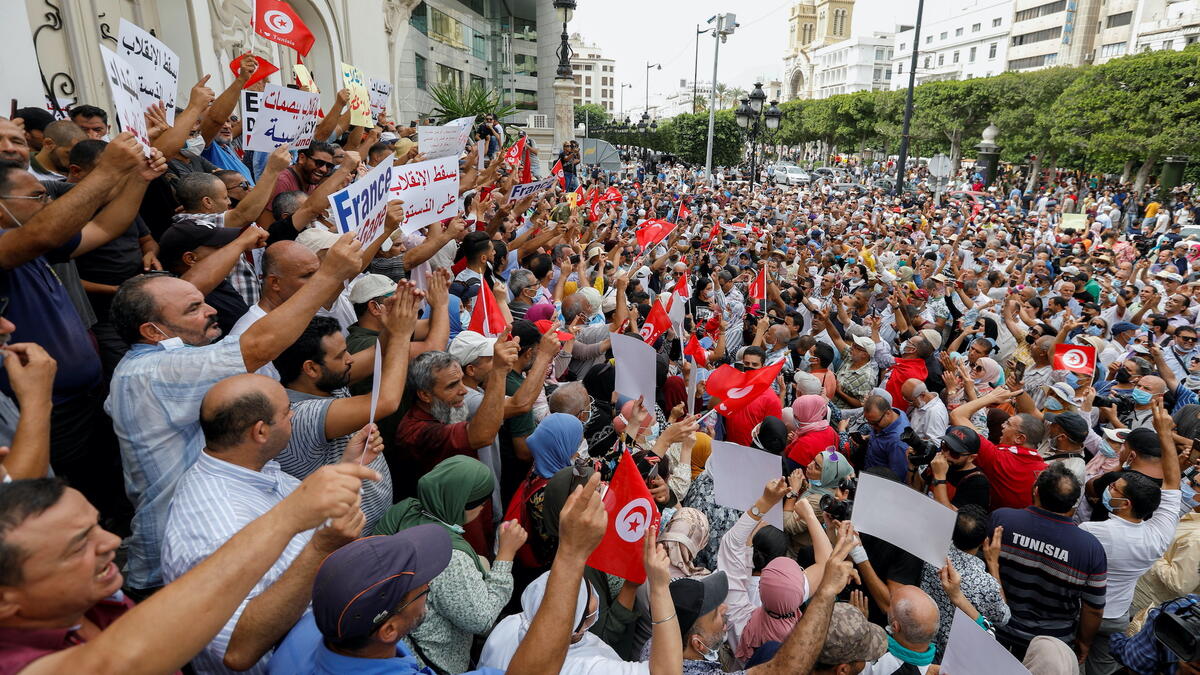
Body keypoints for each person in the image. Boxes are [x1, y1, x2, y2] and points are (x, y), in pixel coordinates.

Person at [105, 232, 364, 595]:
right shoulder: (152, 371)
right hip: (169, 573)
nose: (211, 309)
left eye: (203, 302)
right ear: (152, 331)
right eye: (193, 309)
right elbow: (257, 347)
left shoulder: (151, 361)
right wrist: (328, 276)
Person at [0, 462, 375, 674]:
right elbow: (117, 662)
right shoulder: (14, 664)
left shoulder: (97, 599)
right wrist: (290, 517)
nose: (113, 543)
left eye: (99, 525)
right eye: (79, 544)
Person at [161, 373, 377, 673]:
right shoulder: (217, 525)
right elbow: (238, 651)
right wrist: (320, 550)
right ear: (260, 431)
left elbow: (302, 522)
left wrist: (347, 468)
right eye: (288, 412)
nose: (294, 415)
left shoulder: (252, 468)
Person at [375, 456, 524, 673]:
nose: (483, 508)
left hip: (393, 649)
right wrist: (506, 554)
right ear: (459, 503)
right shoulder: (449, 557)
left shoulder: (405, 510)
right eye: (481, 503)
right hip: (434, 662)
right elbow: (481, 620)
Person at [478, 528, 683, 675]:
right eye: (589, 597)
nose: (594, 595)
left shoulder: (508, 625)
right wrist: (658, 587)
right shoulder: (584, 665)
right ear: (576, 628)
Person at [1079, 400, 1183, 675]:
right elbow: (1173, 483)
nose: (1109, 486)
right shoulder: (1159, 534)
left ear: (1125, 504)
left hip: (1084, 609)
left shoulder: (1094, 532)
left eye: (1114, 487)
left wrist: (1163, 434)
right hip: (1116, 615)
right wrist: (1165, 437)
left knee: (1072, 654)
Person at [990, 462, 1108, 660]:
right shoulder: (1090, 549)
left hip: (997, 628)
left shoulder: (1002, 520)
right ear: (1073, 504)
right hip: (1051, 645)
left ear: (1035, 491)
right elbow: (1094, 608)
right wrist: (1084, 643)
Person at [391, 341, 518, 498]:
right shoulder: (416, 431)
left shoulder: (442, 410)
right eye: (452, 385)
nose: (464, 390)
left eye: (461, 380)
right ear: (425, 395)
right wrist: (498, 372)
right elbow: (483, 436)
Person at [918, 505, 1010, 657]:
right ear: (983, 541)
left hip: (923, 645)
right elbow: (1004, 617)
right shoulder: (987, 584)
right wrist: (993, 564)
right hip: (956, 655)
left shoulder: (931, 552)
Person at [950, 388, 1048, 510]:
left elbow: (957, 415)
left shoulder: (997, 458)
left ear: (1019, 438)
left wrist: (991, 397)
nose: (1002, 426)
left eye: (1008, 424)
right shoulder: (1046, 470)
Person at [924, 425, 991, 511]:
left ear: (971, 458)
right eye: (945, 447)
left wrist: (939, 476)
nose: (945, 454)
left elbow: (947, 516)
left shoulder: (977, 483)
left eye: (954, 453)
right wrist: (912, 467)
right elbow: (918, 489)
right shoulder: (939, 462)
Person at [862, 394, 911, 481]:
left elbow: (897, 477)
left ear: (888, 413)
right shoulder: (895, 413)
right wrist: (868, 437)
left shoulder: (898, 443)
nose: (872, 427)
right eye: (868, 422)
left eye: (875, 423)